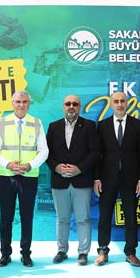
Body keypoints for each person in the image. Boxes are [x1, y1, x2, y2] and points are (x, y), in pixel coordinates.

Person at [0, 90, 48, 267]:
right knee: (6, 217)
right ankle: (5, 254)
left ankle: (26, 253)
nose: (21, 105)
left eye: (24, 102)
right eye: (18, 102)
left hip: (28, 176)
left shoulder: (36, 123)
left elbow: (44, 151)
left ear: (29, 104)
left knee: (27, 216)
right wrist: (9, 165)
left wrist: (30, 165)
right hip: (7, 176)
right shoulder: (2, 123)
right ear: (12, 103)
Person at [94, 92, 140, 267]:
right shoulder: (102, 125)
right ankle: (103, 250)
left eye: (122, 101)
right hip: (107, 179)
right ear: (111, 104)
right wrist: (96, 178)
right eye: (116, 101)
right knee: (104, 216)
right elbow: (97, 155)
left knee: (131, 216)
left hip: (131, 179)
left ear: (127, 103)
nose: (119, 104)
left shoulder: (137, 125)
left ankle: (130, 252)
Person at [46, 94, 98, 266]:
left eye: (75, 104)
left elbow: (95, 152)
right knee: (62, 218)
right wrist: (56, 167)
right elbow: (46, 153)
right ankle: (62, 250)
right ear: (63, 106)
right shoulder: (53, 127)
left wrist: (79, 168)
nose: (71, 107)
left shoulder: (89, 126)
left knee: (83, 219)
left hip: (81, 180)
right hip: (59, 181)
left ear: (79, 107)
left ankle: (83, 252)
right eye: (68, 103)